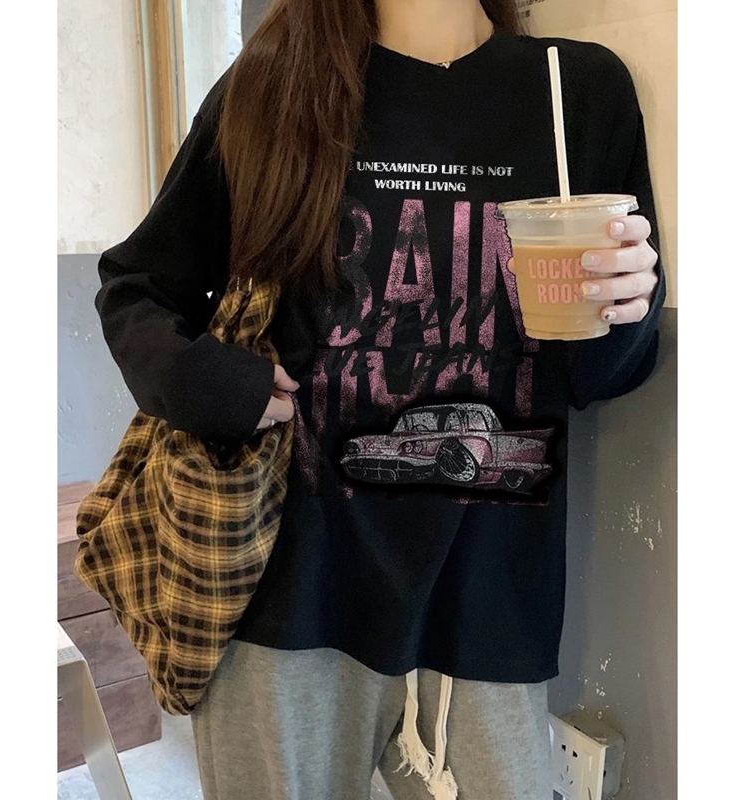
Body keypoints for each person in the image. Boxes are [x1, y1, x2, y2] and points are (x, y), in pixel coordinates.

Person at [95, 0, 664, 797]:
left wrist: (627, 308)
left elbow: (598, 377)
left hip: (490, 595)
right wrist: (213, 386)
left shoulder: (577, 89)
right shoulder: (271, 87)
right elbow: (139, 285)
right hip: (292, 590)